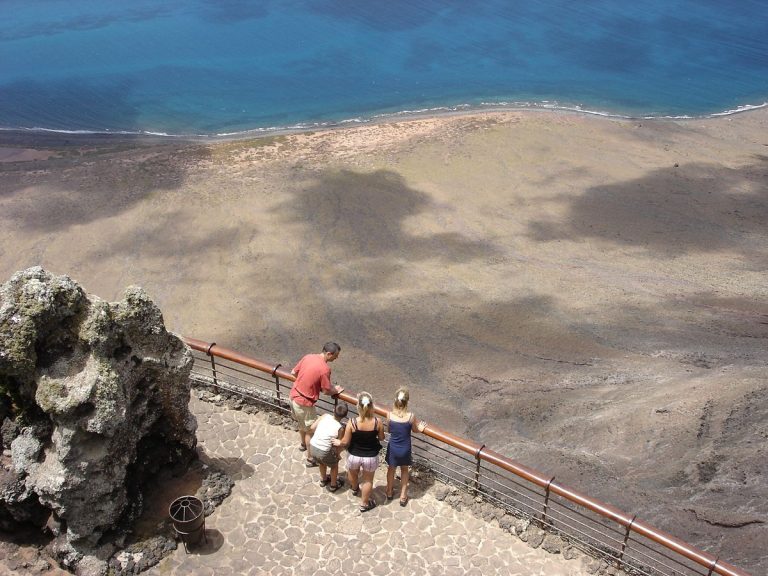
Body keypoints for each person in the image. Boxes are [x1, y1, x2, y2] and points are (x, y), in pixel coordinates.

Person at [290, 342, 344, 467]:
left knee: (301, 423)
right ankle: (310, 459)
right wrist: (336, 390)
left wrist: (307, 382)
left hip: (293, 395)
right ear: (329, 354)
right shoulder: (325, 369)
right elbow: (326, 391)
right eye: (335, 356)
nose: (336, 358)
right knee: (311, 431)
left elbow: (294, 372)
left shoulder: (308, 357)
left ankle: (303, 444)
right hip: (304, 403)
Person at [334, 392, 384, 512]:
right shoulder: (378, 422)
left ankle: (355, 488)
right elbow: (382, 438)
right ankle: (364, 503)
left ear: (358, 407)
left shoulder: (352, 422)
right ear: (372, 406)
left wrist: (338, 442)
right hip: (370, 456)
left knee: (352, 473)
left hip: (354, 455)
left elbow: (345, 441)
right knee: (368, 480)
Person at [385, 387, 426, 506]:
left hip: (393, 447)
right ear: (407, 401)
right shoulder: (411, 416)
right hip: (405, 448)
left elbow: (390, 429)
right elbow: (415, 430)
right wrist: (421, 429)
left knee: (391, 469)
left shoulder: (389, 415)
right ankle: (403, 496)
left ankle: (389, 491)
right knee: (404, 470)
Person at [309, 404, 348, 492]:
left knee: (321, 463)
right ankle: (333, 485)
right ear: (344, 416)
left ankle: (323, 480)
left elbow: (312, 428)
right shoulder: (340, 428)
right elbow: (339, 444)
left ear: (333, 409)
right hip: (324, 451)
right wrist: (337, 455)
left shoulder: (325, 416)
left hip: (313, 446)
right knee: (334, 466)